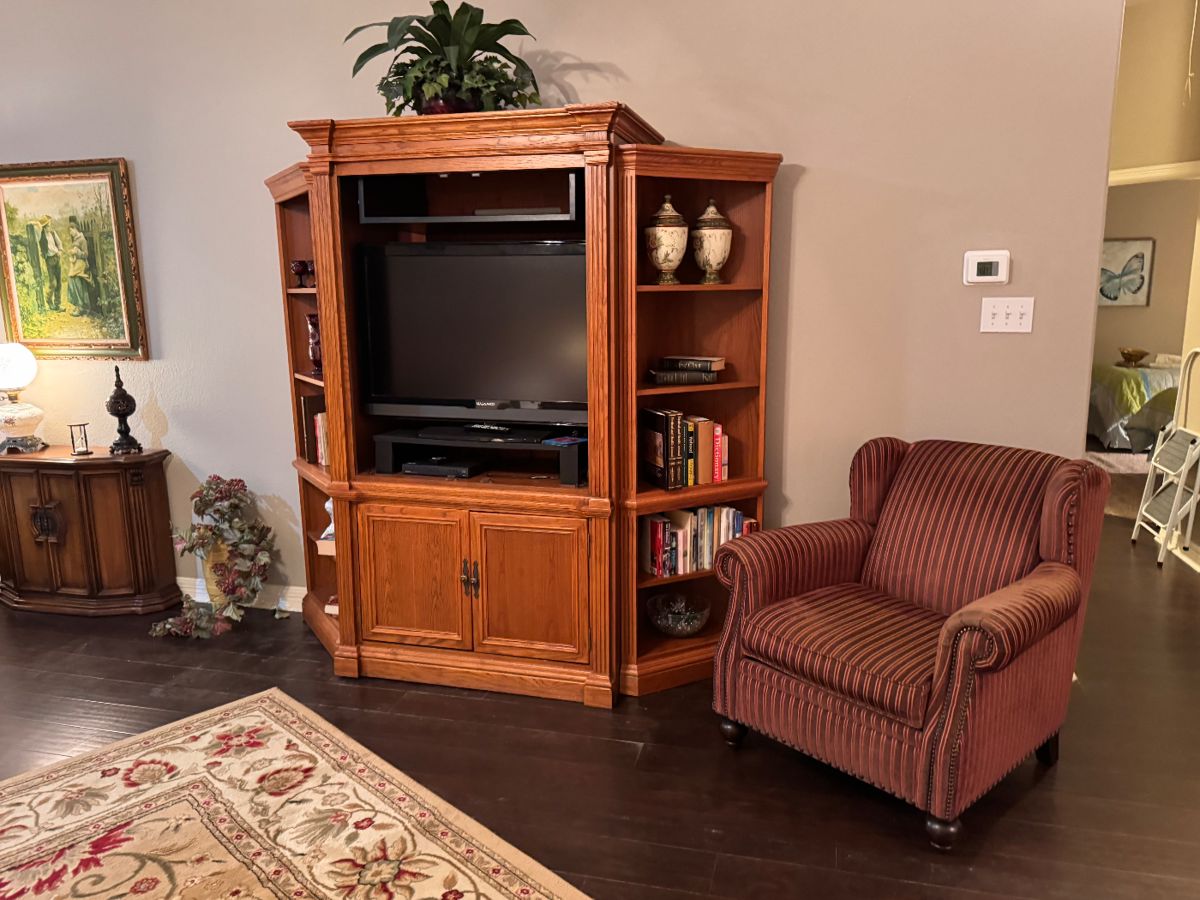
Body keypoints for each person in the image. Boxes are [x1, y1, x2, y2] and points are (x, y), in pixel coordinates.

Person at [65, 216, 93, 317]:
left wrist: (76, 252)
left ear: (75, 229)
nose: (70, 233)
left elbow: (85, 254)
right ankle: (80, 306)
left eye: (71, 231)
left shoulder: (82, 239)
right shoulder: (76, 239)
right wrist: (71, 253)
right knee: (73, 283)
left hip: (81, 264)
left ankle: (81, 307)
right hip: (76, 264)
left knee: (77, 283)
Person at [37, 215, 63, 310]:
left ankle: (57, 304)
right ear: (44, 227)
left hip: (57, 258)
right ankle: (49, 300)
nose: (50, 227)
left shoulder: (53, 233)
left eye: (50, 225)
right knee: (53, 283)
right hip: (49, 260)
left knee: (59, 283)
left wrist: (60, 251)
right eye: (48, 226)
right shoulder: (41, 236)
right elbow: (40, 249)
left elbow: (59, 243)